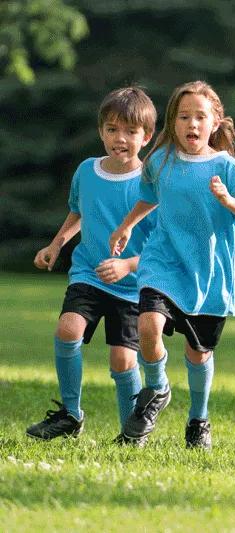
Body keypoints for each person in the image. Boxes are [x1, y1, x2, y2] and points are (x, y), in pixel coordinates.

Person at [108, 81, 235, 449]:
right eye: (183, 117)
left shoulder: (225, 167)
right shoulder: (160, 161)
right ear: (172, 122)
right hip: (162, 262)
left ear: (214, 123)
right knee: (147, 324)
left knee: (199, 353)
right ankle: (157, 388)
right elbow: (149, 196)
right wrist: (126, 225)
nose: (191, 124)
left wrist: (230, 201)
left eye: (200, 117)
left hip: (208, 274)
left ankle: (198, 419)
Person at [26, 87, 157, 442]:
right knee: (68, 329)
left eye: (130, 132)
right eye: (112, 129)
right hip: (89, 273)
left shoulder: (151, 184)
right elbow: (78, 211)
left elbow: (163, 248)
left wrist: (128, 265)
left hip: (133, 287)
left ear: (146, 137)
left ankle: (131, 431)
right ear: (101, 132)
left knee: (122, 362)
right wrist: (56, 244)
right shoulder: (87, 171)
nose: (120, 139)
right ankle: (70, 414)